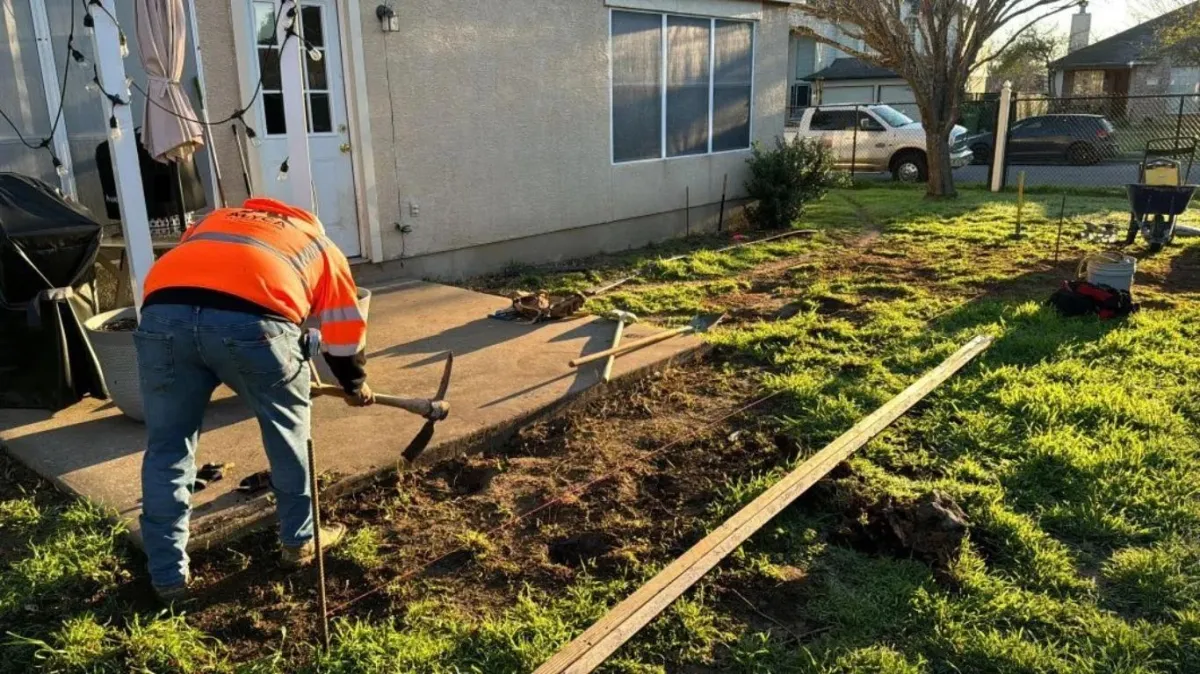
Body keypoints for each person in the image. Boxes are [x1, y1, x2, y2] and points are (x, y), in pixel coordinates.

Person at [134, 197, 373, 603]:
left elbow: (196, 285)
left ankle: (167, 577)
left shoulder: (215, 222)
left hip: (162, 317)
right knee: (287, 435)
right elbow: (343, 332)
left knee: (168, 448)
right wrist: (354, 385)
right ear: (305, 220)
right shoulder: (319, 245)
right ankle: (299, 542)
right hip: (253, 325)